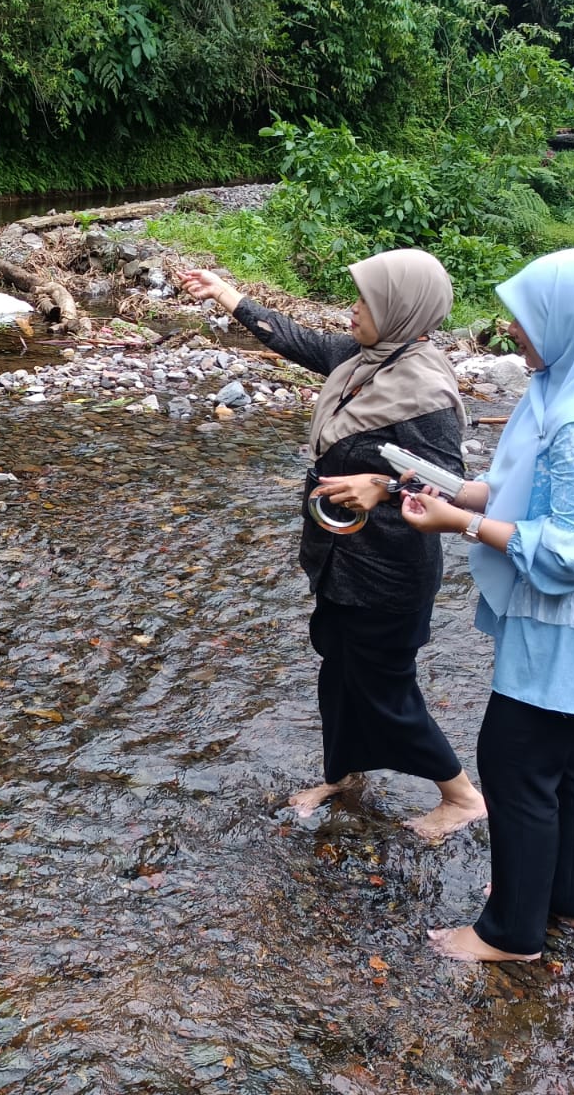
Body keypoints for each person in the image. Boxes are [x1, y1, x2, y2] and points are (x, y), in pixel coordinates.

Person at [399, 247, 574, 962]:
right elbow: (531, 488)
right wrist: (459, 495)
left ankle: (511, 932)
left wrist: (457, 525)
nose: (512, 330)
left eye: (526, 319)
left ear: (568, 322)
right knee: (572, 753)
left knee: (517, 759)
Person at [182, 251, 486, 840]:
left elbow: (448, 490)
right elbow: (297, 341)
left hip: (389, 571)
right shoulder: (367, 360)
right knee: (339, 672)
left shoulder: (423, 390)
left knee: (383, 687)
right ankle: (344, 775)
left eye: (365, 301)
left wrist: (384, 486)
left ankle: (462, 795)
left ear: (400, 311)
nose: (352, 310)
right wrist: (225, 293)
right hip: (339, 559)